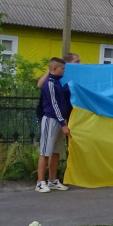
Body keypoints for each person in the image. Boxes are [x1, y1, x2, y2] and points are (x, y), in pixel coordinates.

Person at [36, 57, 72, 193]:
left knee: (55, 152)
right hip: (51, 119)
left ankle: (52, 180)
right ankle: (40, 182)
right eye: (62, 68)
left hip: (59, 119)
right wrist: (63, 124)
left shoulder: (58, 83)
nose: (64, 71)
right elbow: (54, 105)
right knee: (45, 151)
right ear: (54, 69)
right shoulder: (50, 83)